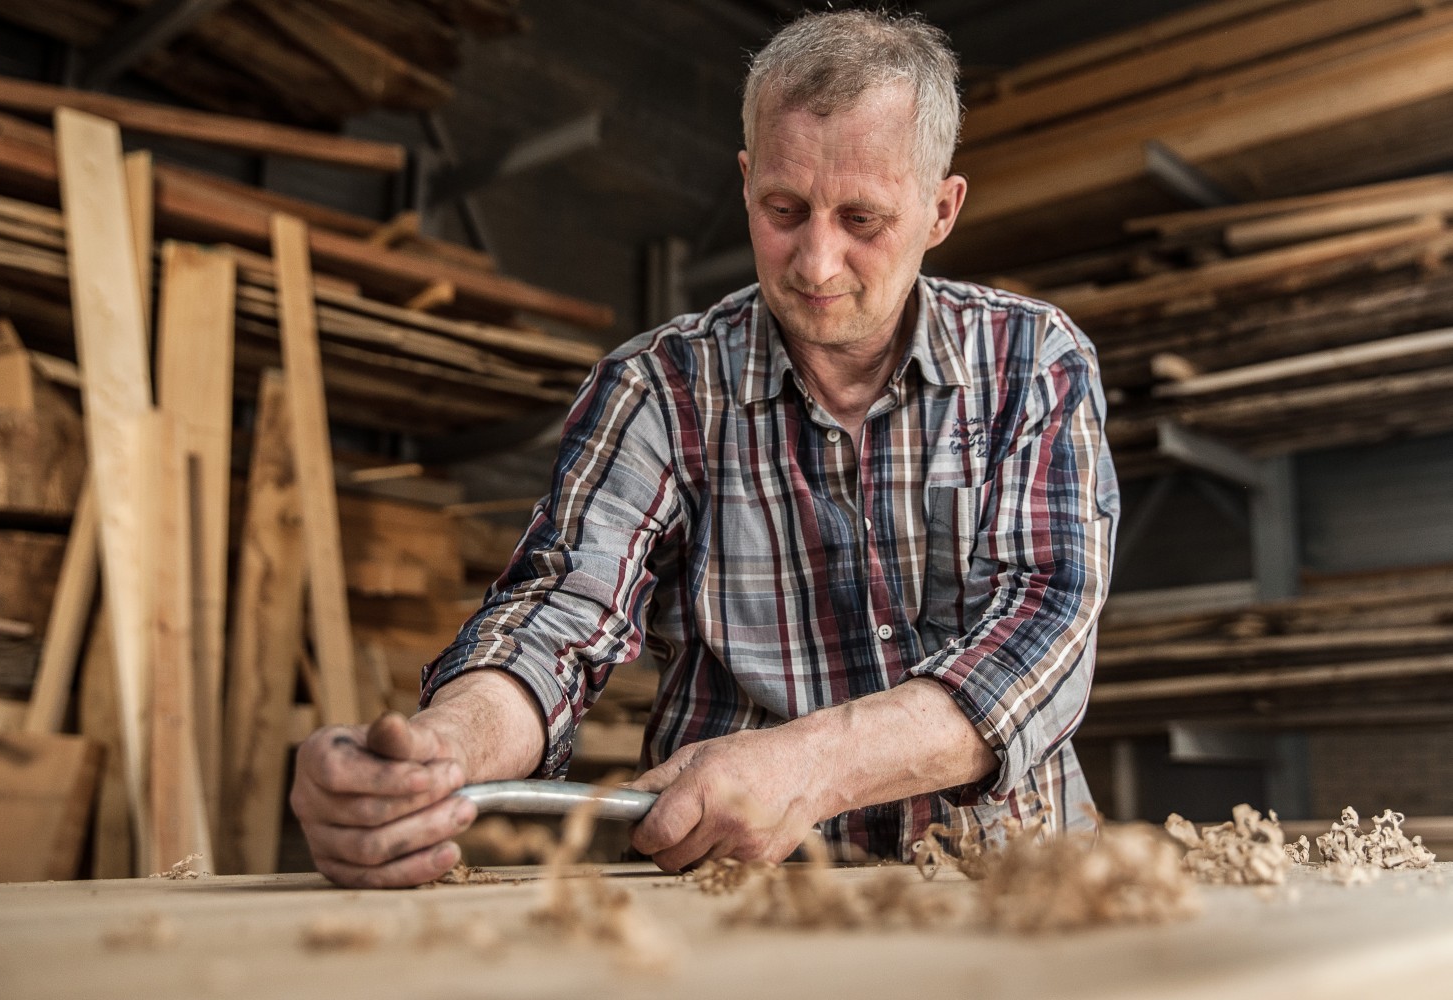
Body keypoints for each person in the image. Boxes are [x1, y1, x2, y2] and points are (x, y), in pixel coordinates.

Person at [290, 9, 1119, 888]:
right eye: (783, 209)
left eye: (864, 219)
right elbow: (559, 618)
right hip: (737, 903)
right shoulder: (660, 389)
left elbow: (1044, 631)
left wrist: (809, 762)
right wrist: (438, 753)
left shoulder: (1032, 360)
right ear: (747, 180)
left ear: (941, 210)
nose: (816, 262)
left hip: (1013, 893)